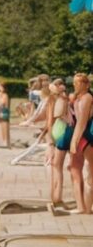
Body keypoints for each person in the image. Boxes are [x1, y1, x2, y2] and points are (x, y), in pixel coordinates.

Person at [69, 73, 93, 214]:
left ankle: (86, 208)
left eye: (78, 82)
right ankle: (84, 207)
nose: (75, 85)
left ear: (86, 84)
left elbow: (82, 122)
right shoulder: (80, 98)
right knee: (83, 169)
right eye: (74, 82)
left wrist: (74, 141)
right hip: (84, 136)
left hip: (87, 136)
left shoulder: (87, 98)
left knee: (90, 171)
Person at [48, 79, 71, 209]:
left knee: (57, 166)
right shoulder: (65, 98)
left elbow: (55, 116)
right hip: (62, 131)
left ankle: (57, 197)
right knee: (59, 165)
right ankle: (57, 196)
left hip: (61, 132)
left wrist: (50, 142)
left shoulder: (59, 100)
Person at [0, 82, 10, 147]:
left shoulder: (5, 95)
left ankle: (6, 142)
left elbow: (0, 103)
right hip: (2, 111)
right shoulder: (2, 95)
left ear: (3, 88)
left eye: (0, 87)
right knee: (2, 128)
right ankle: (4, 141)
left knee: (5, 127)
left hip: (4, 112)